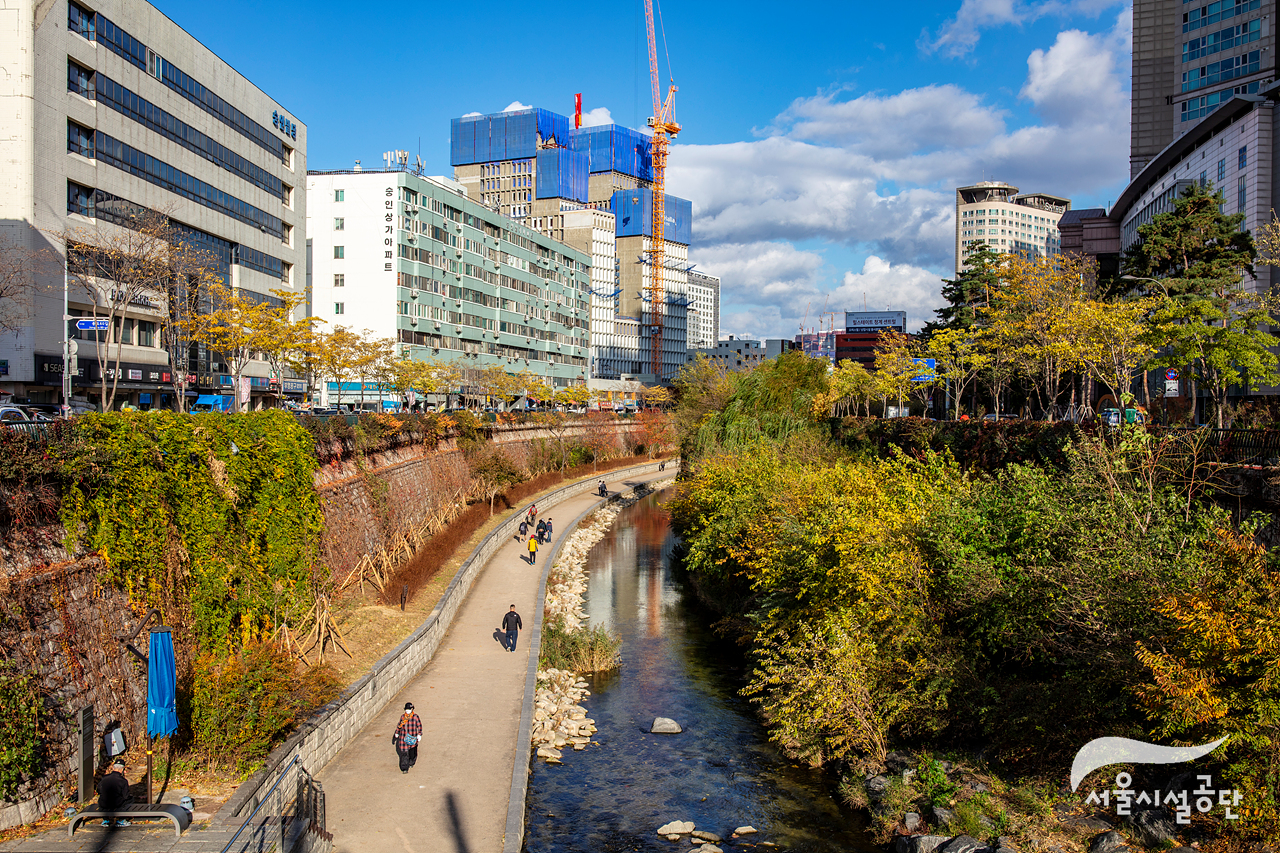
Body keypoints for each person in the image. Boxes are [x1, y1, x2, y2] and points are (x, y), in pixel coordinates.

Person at [97, 760, 131, 826]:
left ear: (113, 768)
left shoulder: (104, 778)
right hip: (116, 804)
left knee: (102, 798)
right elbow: (126, 796)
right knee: (130, 800)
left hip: (104, 804)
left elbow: (99, 790)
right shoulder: (123, 781)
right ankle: (121, 820)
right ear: (122, 770)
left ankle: (106, 819)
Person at [392, 703, 422, 773]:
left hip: (412, 738)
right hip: (403, 738)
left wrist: (419, 734)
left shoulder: (415, 717)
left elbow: (419, 726)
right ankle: (404, 768)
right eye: (406, 709)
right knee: (404, 754)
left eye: (409, 709)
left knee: (412, 752)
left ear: (412, 709)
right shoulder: (403, 717)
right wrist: (396, 733)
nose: (407, 711)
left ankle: (411, 762)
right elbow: (399, 725)